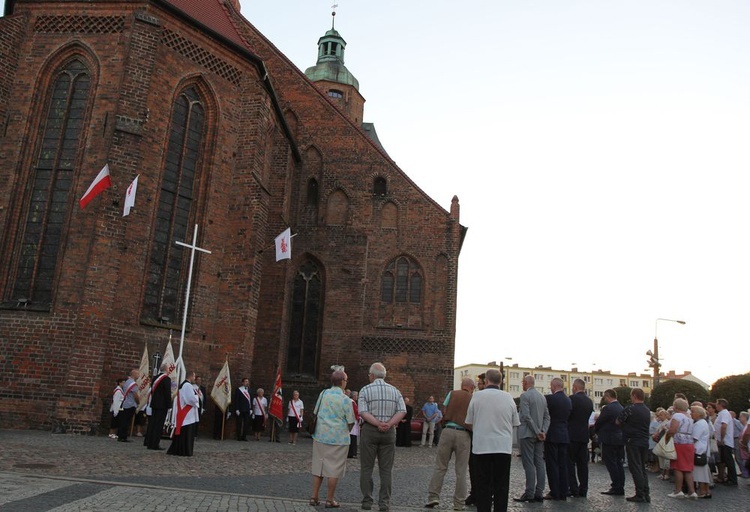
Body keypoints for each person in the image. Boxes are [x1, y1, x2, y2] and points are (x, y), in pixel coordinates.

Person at [464, 368, 519, 512]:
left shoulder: (477, 397)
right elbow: (515, 422)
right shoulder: (508, 397)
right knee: (501, 484)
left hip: (482, 446)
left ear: (486, 380)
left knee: (483, 484)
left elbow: (469, 421)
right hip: (503, 446)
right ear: (500, 381)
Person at [358, 362, 406, 512]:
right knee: (386, 470)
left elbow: (362, 412)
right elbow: (402, 411)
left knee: (366, 468)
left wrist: (377, 423)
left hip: (370, 430)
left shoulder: (365, 389)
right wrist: (389, 423)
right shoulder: (395, 391)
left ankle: (367, 501)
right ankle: (384, 503)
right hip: (389, 433)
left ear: (372, 375)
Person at [425, 377, 475, 510]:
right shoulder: (473, 398)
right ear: (472, 387)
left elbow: (445, 410)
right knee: (461, 471)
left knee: (440, 466)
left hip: (447, 431)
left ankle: (433, 497)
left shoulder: (452, 393)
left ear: (462, 385)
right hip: (464, 434)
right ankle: (458, 503)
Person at [309, 369, 355, 508]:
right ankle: (329, 500)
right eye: (346, 380)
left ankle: (314, 497)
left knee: (319, 466)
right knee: (334, 469)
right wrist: (346, 430)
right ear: (342, 382)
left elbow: (315, 412)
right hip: (339, 439)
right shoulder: (346, 400)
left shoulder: (323, 394)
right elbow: (351, 420)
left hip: (320, 435)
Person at [513, 375, 549, 503]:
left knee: (528, 463)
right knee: (539, 463)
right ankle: (539, 492)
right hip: (539, 435)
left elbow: (526, 416)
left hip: (528, 434)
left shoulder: (525, 396)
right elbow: (547, 416)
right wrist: (543, 431)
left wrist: (537, 431)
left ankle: (529, 493)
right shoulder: (542, 397)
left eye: (523, 382)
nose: (522, 384)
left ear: (527, 383)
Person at [617, 388, 651, 503]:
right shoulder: (647, 410)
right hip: (644, 441)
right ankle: (646, 493)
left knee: (635, 467)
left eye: (631, 396)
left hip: (633, 440)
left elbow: (618, 421)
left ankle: (640, 493)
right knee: (642, 467)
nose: (630, 398)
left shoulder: (630, 409)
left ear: (635, 396)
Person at [543, 377, 572, 501]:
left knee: (552, 464)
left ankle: (555, 491)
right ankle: (564, 490)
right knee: (563, 464)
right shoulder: (568, 400)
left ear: (553, 386)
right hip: (564, 434)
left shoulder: (550, 399)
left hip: (552, 434)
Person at [567, 378, 593, 498]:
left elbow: (568, 415)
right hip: (584, 436)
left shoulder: (572, 399)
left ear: (575, 387)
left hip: (572, 435)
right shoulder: (589, 401)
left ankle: (573, 488)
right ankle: (584, 488)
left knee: (570, 463)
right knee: (583, 464)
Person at [595, 389, 624, 496]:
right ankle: (620, 485)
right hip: (619, 438)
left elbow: (599, 421)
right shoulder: (621, 407)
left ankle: (616, 486)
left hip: (609, 438)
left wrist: (596, 431)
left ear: (607, 397)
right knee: (619, 462)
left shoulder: (608, 408)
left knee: (611, 462)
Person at [667, 397, 696, 499]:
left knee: (678, 467)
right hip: (689, 443)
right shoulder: (689, 417)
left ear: (676, 407)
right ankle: (692, 491)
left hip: (679, 442)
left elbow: (672, 430)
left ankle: (678, 490)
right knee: (687, 468)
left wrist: (666, 438)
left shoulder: (677, 416)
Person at [167, 370, 200, 456]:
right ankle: (184, 450)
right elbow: (190, 399)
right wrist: (197, 397)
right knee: (186, 433)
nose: (194, 378)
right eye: (194, 376)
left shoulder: (185, 385)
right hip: (187, 413)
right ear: (190, 376)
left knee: (183, 432)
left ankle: (179, 449)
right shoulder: (187, 385)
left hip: (185, 412)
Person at [464, 373, 485, 507]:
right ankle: (475, 492)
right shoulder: (475, 397)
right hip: (475, 437)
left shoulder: (477, 398)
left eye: (481, 383)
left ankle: (481, 493)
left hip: (481, 436)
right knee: (474, 467)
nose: (479, 385)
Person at [144, 362, 171, 450]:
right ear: (166, 369)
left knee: (152, 423)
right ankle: (155, 444)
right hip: (162, 405)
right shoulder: (166, 379)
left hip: (154, 404)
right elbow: (167, 393)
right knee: (158, 425)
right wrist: (169, 405)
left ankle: (149, 442)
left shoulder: (155, 378)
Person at [715, 398, 737, 486]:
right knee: (725, 460)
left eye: (717, 404)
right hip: (724, 440)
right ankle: (727, 477)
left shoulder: (724, 413)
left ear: (721, 405)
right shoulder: (722, 414)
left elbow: (724, 426)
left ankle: (732, 479)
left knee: (729, 461)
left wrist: (722, 439)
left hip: (725, 441)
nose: (716, 405)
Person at [691, 405, 712, 499]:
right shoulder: (702, 422)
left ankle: (703, 491)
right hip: (701, 450)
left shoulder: (700, 424)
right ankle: (705, 490)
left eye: (693, 412)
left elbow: (694, 438)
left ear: (698, 414)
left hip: (699, 450)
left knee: (700, 472)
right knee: (703, 472)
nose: (691, 414)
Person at [117, 369, 140, 442]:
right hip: (131, 404)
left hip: (125, 403)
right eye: (137, 374)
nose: (139, 375)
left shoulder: (127, 382)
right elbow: (135, 395)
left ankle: (120, 435)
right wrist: (138, 402)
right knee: (126, 422)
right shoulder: (133, 384)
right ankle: (123, 436)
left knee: (123, 420)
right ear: (134, 374)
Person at [348, 390, 360, 458]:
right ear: (354, 396)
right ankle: (352, 453)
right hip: (353, 421)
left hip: (351, 420)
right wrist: (359, 419)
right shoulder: (352, 402)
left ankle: (351, 452)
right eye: (357, 395)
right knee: (353, 438)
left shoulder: (349, 401)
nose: (357, 397)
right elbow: (356, 412)